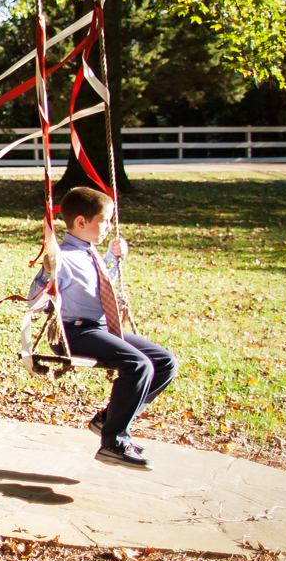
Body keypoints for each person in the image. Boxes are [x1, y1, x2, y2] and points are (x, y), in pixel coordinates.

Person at [30, 186, 177, 470]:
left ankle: (107, 419)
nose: (109, 226)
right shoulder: (63, 257)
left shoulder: (92, 253)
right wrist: (46, 272)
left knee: (164, 361)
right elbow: (34, 301)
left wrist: (112, 257)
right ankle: (114, 442)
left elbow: (99, 284)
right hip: (74, 333)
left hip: (101, 328)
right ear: (82, 222)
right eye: (104, 220)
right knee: (138, 365)